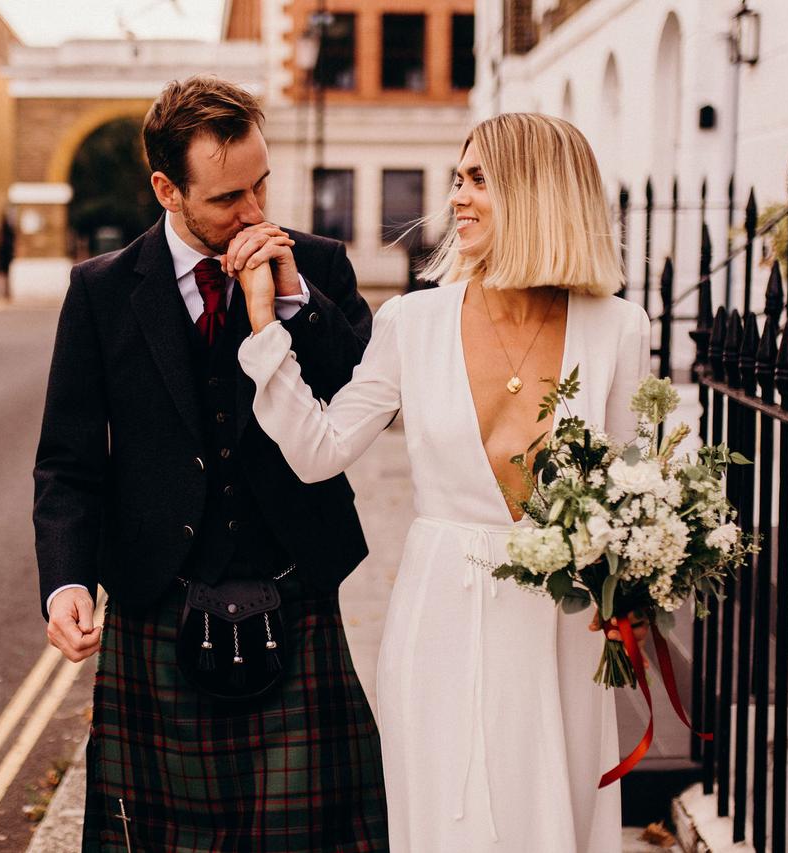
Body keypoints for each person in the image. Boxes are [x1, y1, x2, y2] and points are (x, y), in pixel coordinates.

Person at [236, 113, 650, 851]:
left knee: (549, 819)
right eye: (458, 178)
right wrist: (267, 330)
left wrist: (637, 586)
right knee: (442, 822)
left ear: (538, 192)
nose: (456, 196)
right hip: (440, 618)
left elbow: (629, 490)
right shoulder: (413, 321)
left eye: (479, 179)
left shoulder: (618, 327)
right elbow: (319, 451)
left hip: (561, 624)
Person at [33, 75, 388, 852]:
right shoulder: (100, 291)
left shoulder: (317, 267)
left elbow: (368, 394)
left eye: (262, 185)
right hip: (158, 602)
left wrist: (293, 300)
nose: (255, 213)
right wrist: (66, 580)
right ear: (167, 189)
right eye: (229, 197)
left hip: (294, 594)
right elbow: (67, 462)